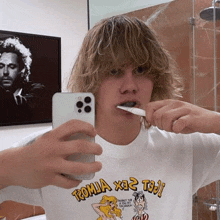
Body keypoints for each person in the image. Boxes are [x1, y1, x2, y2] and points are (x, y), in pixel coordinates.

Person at [0, 15, 220, 220]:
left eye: (142, 70)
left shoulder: (185, 146)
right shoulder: (51, 149)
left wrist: (214, 121)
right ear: (91, 79)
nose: (130, 86)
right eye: (113, 71)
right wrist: (10, 166)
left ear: (157, 78)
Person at [0, 37, 47, 125]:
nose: (5, 72)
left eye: (12, 67)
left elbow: (18, 104)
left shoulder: (38, 90)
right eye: (1, 66)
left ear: (23, 70)